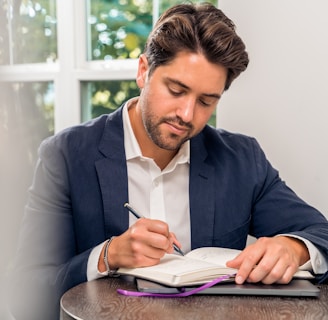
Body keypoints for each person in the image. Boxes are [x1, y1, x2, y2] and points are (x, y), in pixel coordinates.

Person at [10, 3, 328, 320]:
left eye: (206, 101)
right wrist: (106, 256)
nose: (187, 115)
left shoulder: (242, 160)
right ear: (143, 71)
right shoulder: (66, 155)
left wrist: (293, 248)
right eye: (176, 90)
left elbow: (319, 233)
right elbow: (24, 289)